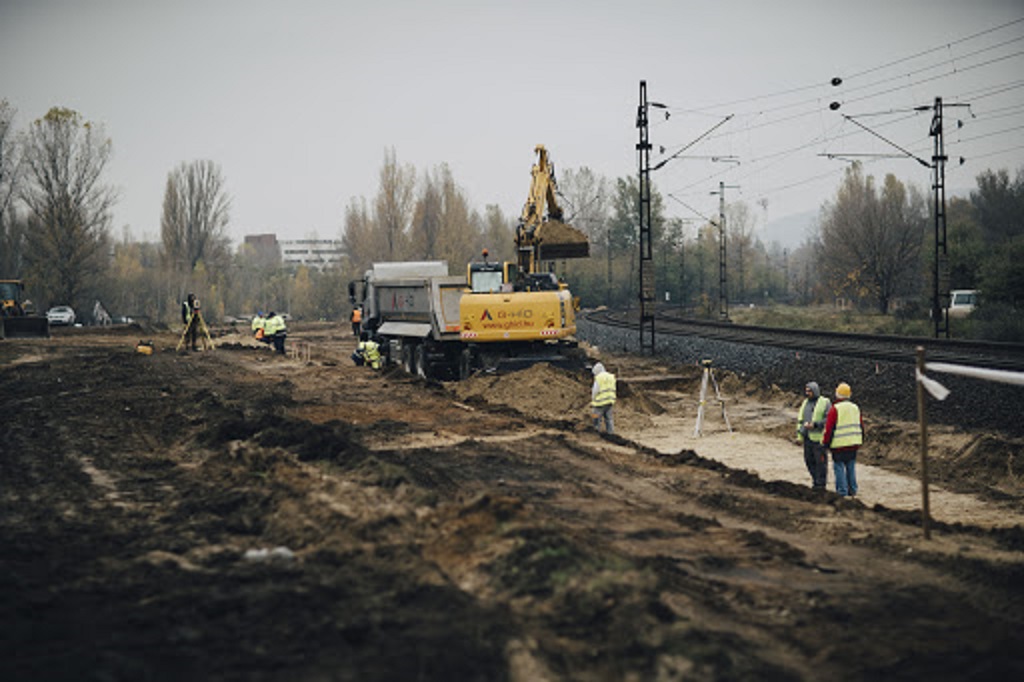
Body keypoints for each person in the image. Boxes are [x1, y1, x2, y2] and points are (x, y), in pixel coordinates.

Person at [822, 382, 864, 498]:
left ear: (837, 394)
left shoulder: (835, 409)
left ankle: (842, 492)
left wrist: (826, 443)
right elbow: (861, 425)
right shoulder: (855, 407)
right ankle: (853, 490)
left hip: (839, 445)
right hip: (853, 443)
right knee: (851, 466)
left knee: (839, 467)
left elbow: (829, 428)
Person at [796, 381, 831, 490]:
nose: (807, 393)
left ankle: (820, 485)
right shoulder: (805, 403)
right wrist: (799, 436)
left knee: (820, 463)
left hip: (819, 440)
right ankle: (815, 481)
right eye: (806, 391)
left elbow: (829, 419)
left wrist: (815, 425)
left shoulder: (825, 402)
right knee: (809, 461)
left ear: (815, 391)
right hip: (807, 438)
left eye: (809, 391)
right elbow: (800, 420)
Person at [590, 362, 617, 434]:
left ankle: (596, 431)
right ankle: (611, 433)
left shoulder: (599, 378)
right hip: (610, 401)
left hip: (600, 402)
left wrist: (593, 399)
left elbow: (595, 390)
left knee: (596, 417)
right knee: (609, 418)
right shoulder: (611, 376)